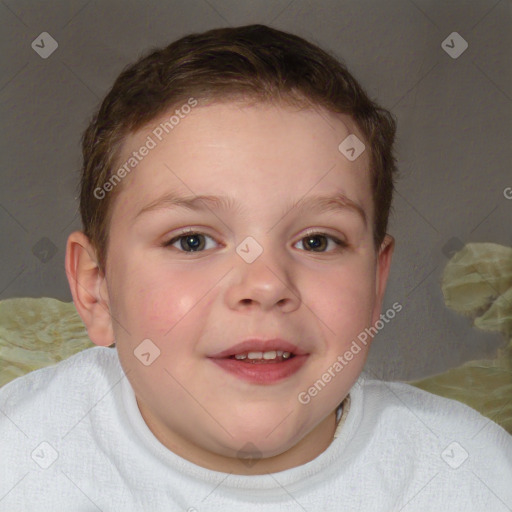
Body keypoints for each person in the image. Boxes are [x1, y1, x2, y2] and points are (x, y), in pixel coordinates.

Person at [0, 24, 510, 512]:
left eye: (317, 240)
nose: (266, 285)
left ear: (377, 286)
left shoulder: (471, 477)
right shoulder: (20, 460)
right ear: (96, 290)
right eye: (193, 241)